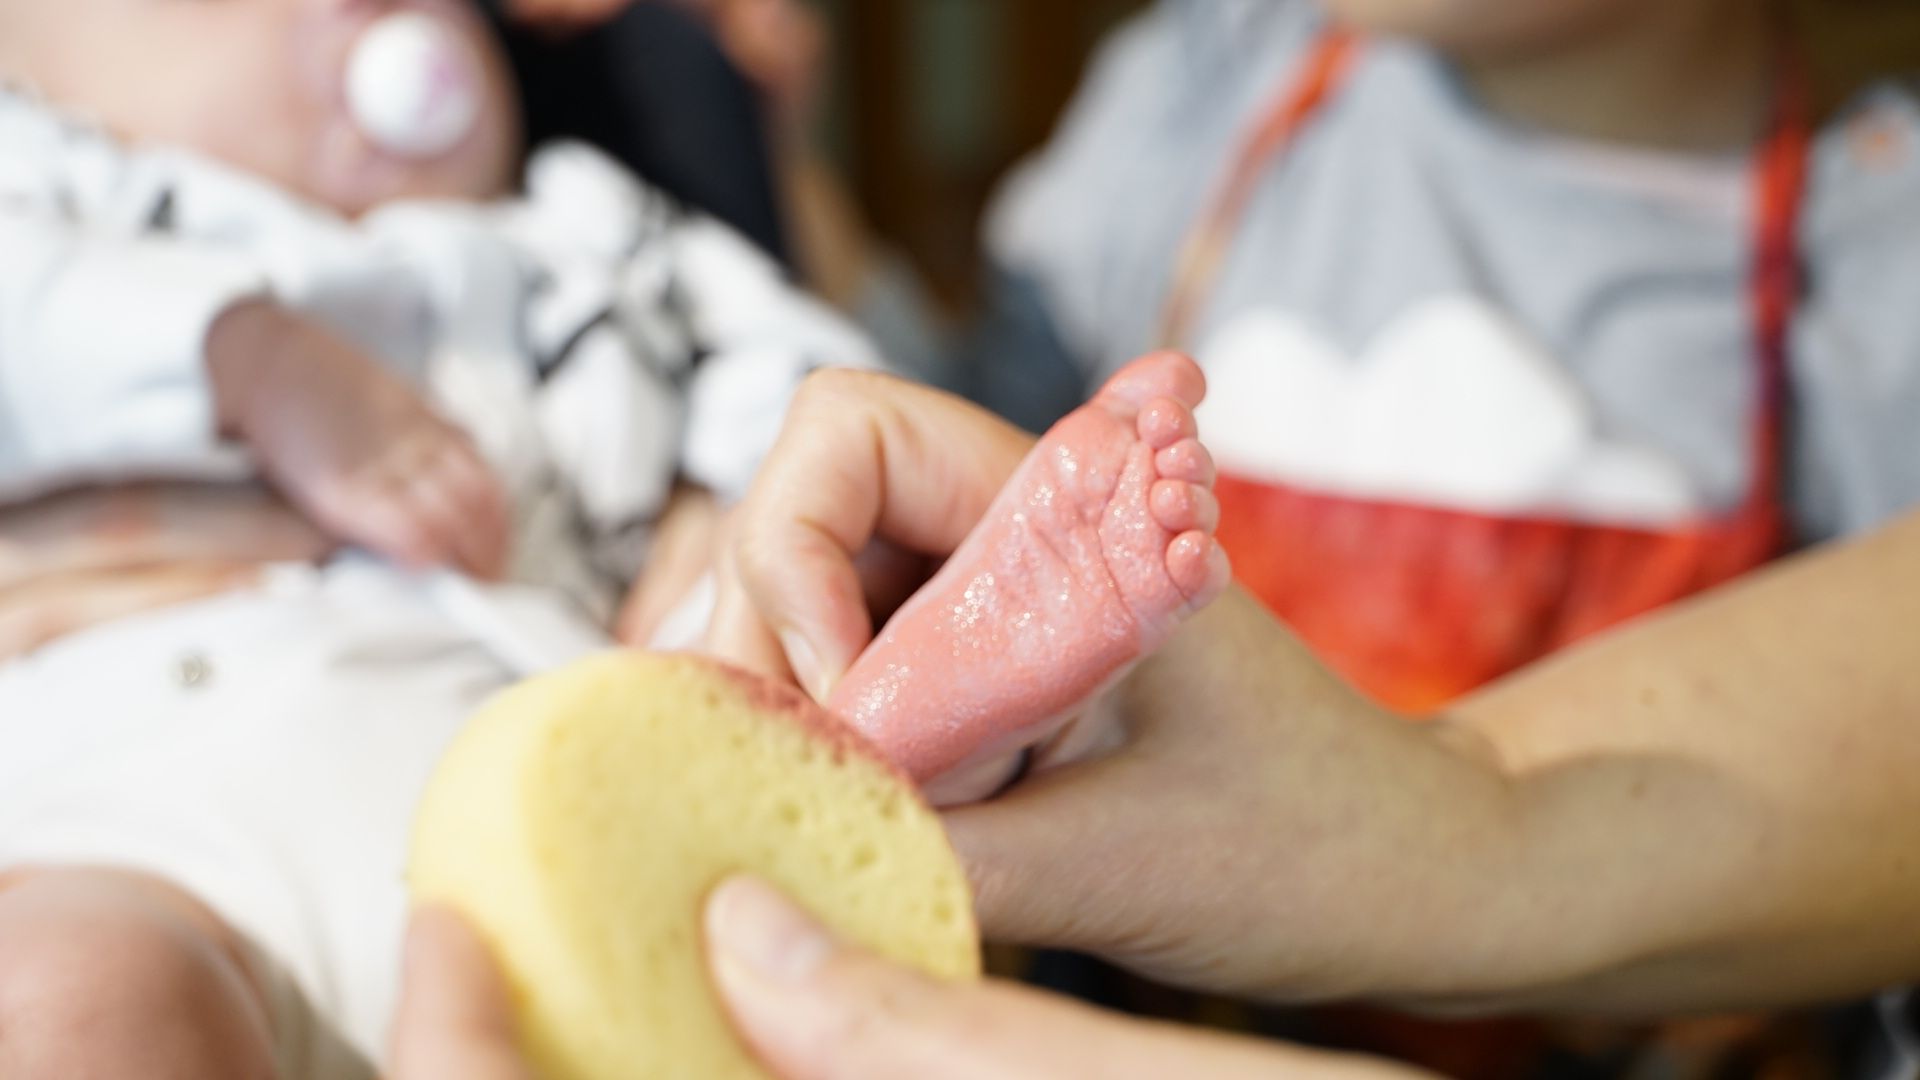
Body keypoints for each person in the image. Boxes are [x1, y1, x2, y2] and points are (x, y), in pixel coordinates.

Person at [0, 0, 878, 1074]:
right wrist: (246, 356)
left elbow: (831, 395)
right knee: (69, 997)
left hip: (559, 853)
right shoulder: (64, 197)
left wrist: (750, 513)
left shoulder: (596, 231)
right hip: (160, 841)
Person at [687, 360, 1920, 1076]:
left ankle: (939, 704)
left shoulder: (1862, 245)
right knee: (870, 731)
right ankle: (940, 698)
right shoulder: (1200, 104)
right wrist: (1455, 801)